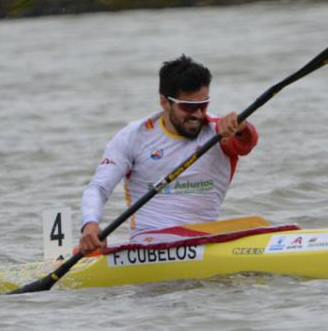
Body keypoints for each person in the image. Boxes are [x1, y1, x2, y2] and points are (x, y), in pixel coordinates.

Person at [79, 54, 258, 252]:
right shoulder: (134, 136)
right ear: (164, 102)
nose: (198, 114)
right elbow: (99, 188)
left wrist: (242, 126)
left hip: (207, 238)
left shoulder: (219, 131)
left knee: (259, 224)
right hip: (149, 244)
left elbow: (246, 143)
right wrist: (90, 223)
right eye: (189, 106)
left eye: (203, 104)